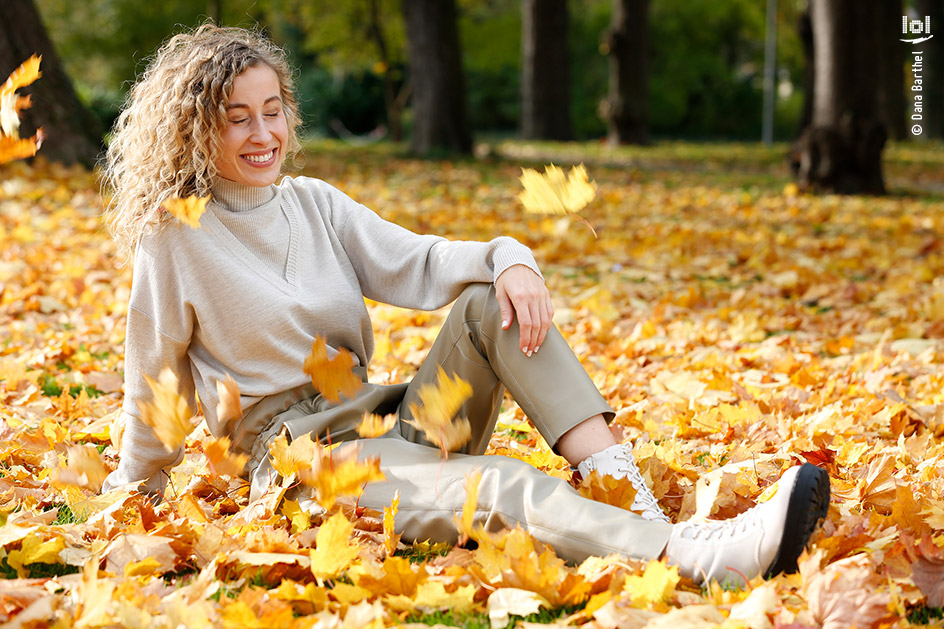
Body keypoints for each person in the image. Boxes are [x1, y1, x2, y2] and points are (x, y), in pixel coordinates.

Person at [100, 24, 830, 586]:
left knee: (490, 300)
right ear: (197, 127)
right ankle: (695, 557)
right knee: (502, 484)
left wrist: (509, 254)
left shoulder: (313, 203)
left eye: (273, 112)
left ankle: (637, 510)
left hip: (389, 419)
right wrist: (132, 497)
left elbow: (416, 260)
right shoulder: (176, 237)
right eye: (237, 118)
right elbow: (152, 385)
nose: (264, 135)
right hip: (303, 463)